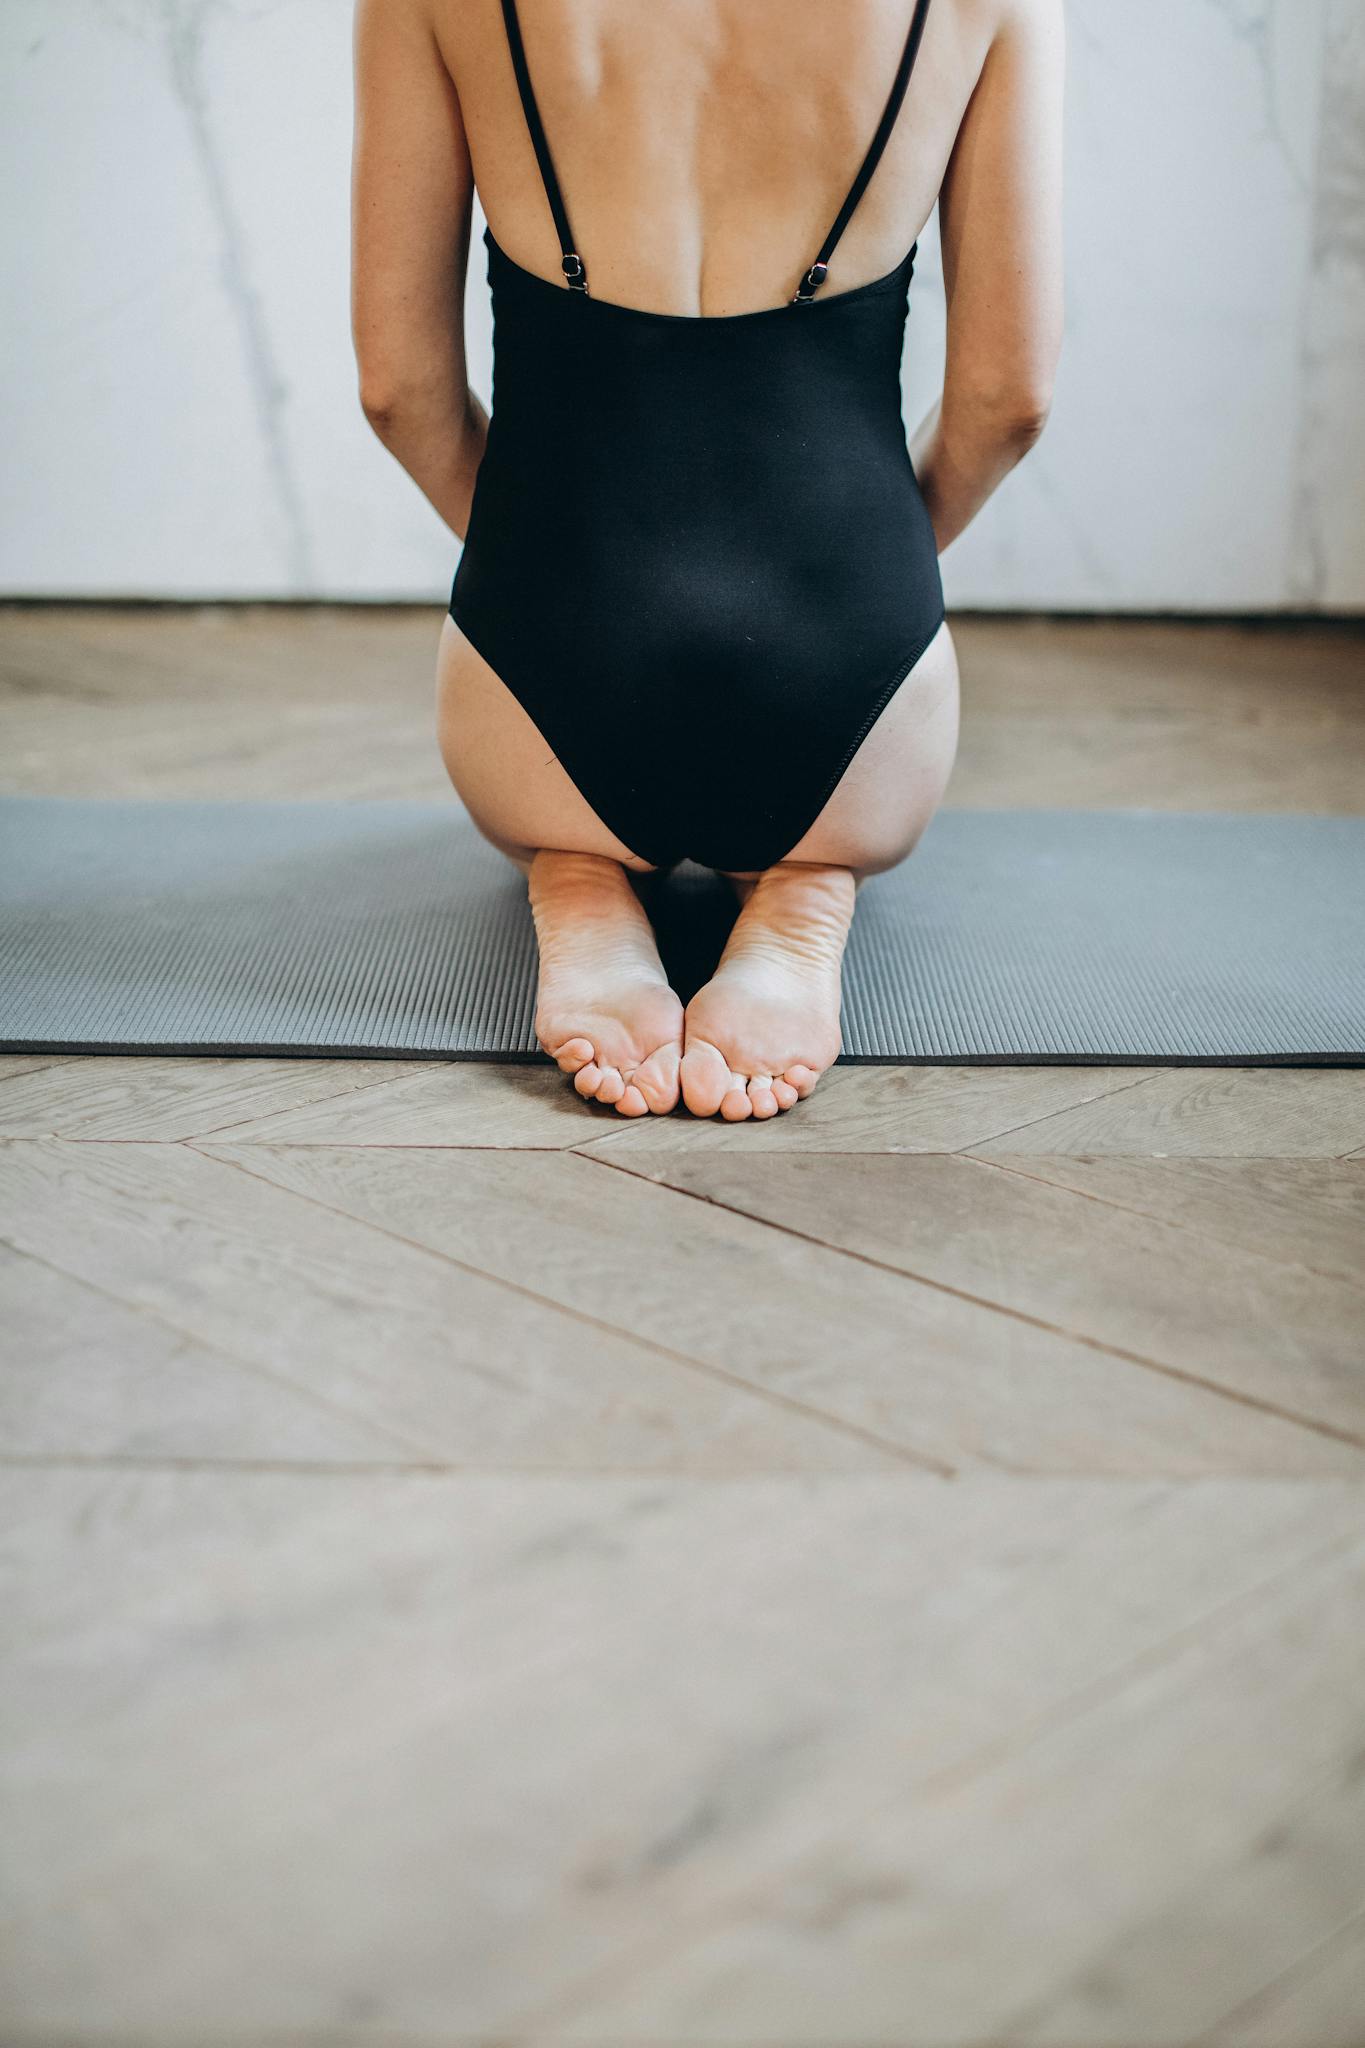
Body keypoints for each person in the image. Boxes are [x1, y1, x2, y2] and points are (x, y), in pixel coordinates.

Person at [352, 0, 1063, 1119]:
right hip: (857, 701)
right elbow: (1006, 400)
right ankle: (801, 883)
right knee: (819, 825)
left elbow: (399, 388)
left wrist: (535, 565)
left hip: (538, 677)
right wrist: (864, 578)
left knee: (564, 815)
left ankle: (580, 871)